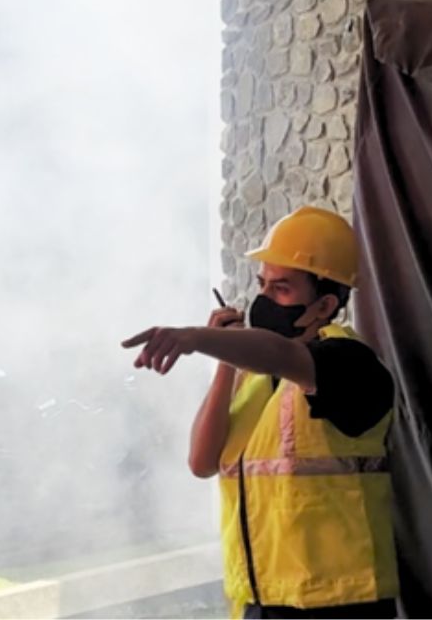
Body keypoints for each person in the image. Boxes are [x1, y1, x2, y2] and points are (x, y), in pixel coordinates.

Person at [121, 206, 398, 619]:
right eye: (262, 285)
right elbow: (202, 462)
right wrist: (225, 360)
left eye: (282, 288)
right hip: (261, 601)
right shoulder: (254, 381)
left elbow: (283, 353)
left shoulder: (351, 364)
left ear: (324, 305)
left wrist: (199, 338)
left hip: (338, 604)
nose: (264, 300)